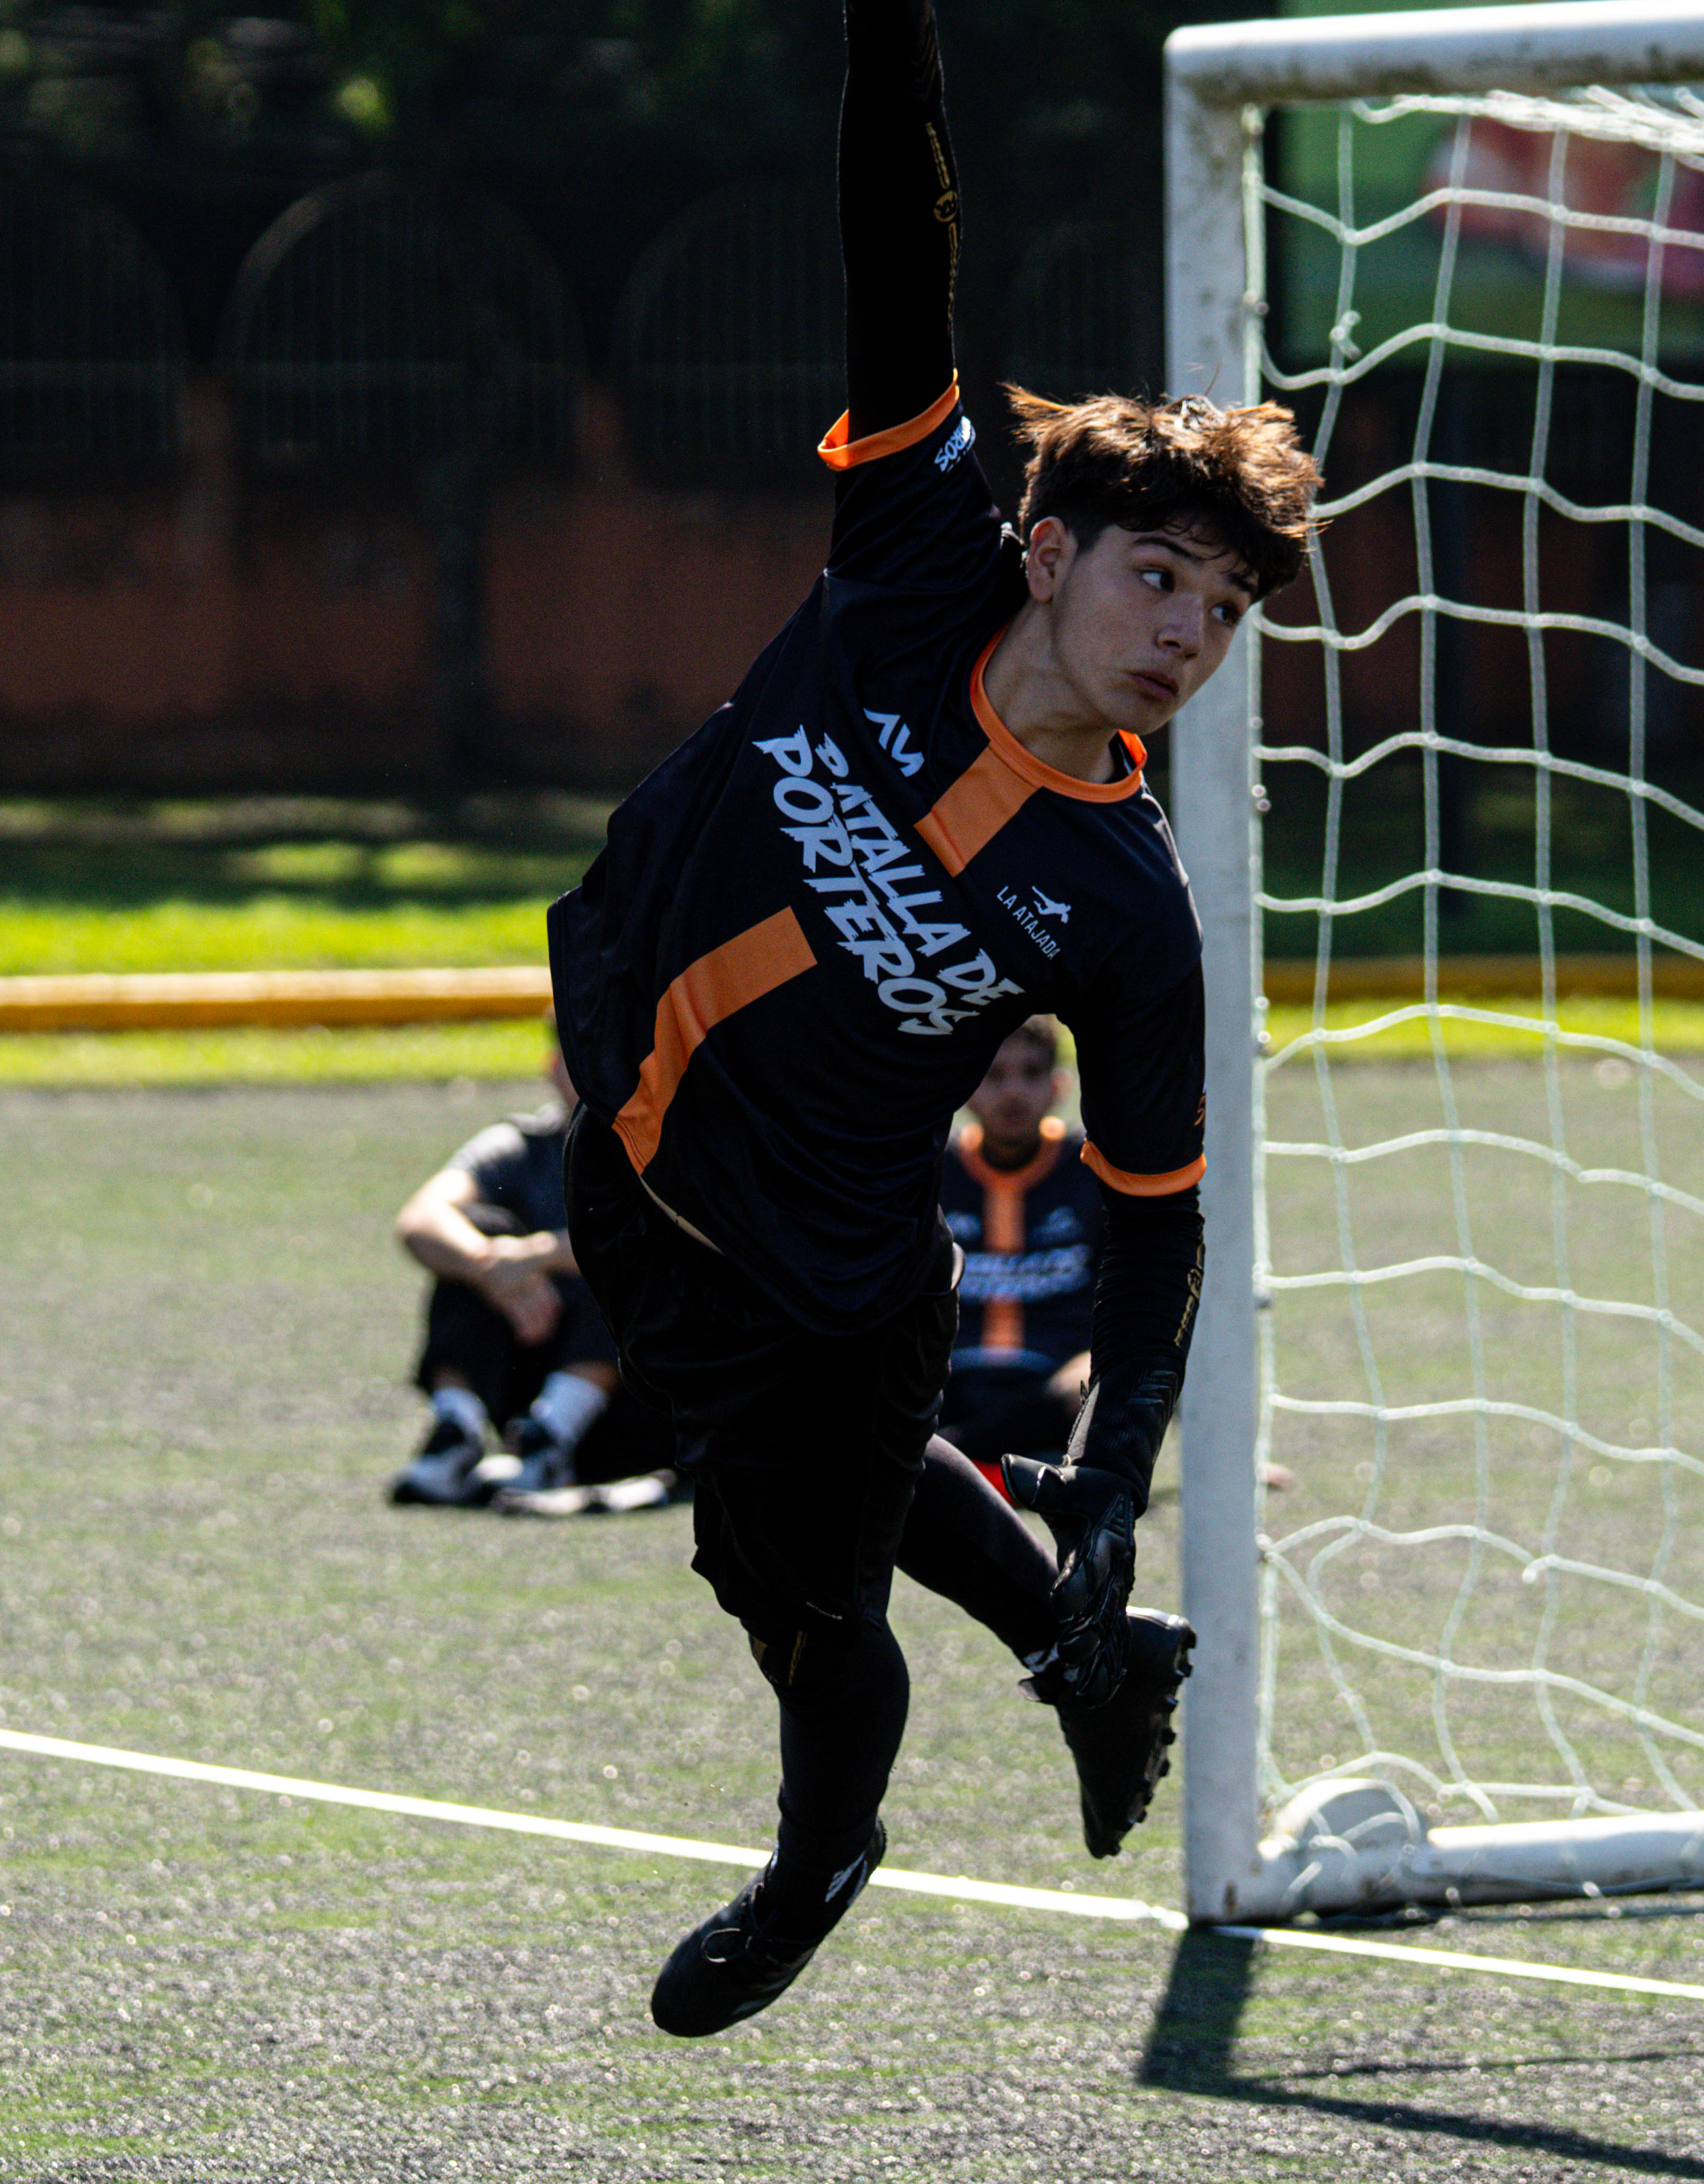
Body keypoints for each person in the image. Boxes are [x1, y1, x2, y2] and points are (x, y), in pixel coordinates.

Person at [550, 0, 1319, 2039]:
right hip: (629, 1135)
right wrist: (892, 51)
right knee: (863, 1476)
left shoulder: (1128, 914)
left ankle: (823, 1849)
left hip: (811, 1270)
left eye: (1224, 614)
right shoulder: (913, 548)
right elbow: (900, 255)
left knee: (808, 1596)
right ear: (1050, 549)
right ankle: (1100, 1660)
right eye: (1162, 580)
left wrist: (1111, 1461)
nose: (1188, 636)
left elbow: (1157, 1217)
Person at [387, 1043, 682, 1517]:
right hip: (526, 1378)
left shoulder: (665, 1144)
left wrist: (536, 1256)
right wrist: (490, 1267)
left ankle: (555, 1437)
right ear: (553, 1067)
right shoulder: (520, 1143)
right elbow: (421, 1218)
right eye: (580, 1054)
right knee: (473, 1231)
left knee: (613, 1250)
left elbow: (668, 1242)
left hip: (641, 1410)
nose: (597, 1071)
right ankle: (456, 1433)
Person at [938, 1016, 1099, 1472]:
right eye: (994, 1075)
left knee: (1104, 1382)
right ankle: (1004, 1467)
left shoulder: (1092, 1170)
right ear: (966, 1085)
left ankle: (956, 1461)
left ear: (1059, 1085)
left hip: (1055, 1384)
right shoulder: (933, 1172)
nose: (1013, 1092)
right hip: (947, 1382)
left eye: (1031, 1073)